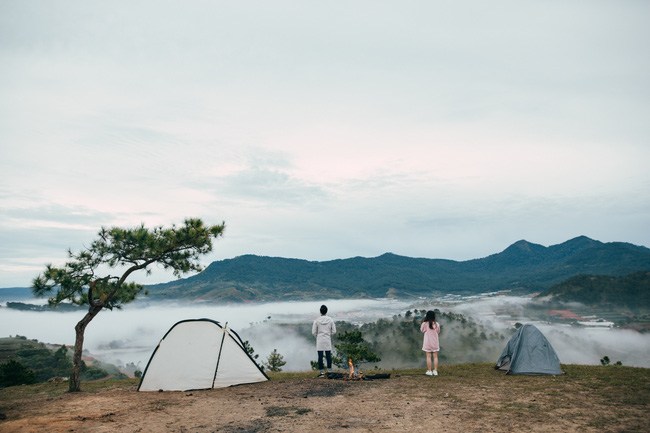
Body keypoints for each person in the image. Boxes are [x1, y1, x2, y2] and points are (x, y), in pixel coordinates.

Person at [312, 304, 336, 377]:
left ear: (320, 312)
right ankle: (329, 371)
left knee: (320, 356)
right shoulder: (330, 320)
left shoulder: (316, 320)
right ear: (326, 311)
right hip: (327, 339)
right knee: (328, 356)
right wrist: (329, 334)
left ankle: (321, 373)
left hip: (320, 339)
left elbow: (313, 332)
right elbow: (334, 331)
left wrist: (318, 336)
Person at [420, 310, 440, 376]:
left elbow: (422, 330)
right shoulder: (437, 324)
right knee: (435, 357)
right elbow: (438, 331)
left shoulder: (425, 324)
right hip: (435, 342)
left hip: (427, 342)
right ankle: (435, 371)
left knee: (428, 356)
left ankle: (429, 371)